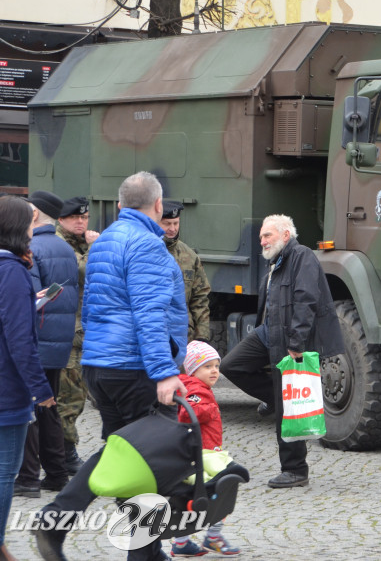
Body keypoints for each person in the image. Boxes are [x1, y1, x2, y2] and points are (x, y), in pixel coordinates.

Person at [35, 171, 188, 561]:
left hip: (100, 364)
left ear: (119, 206)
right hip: (135, 367)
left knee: (125, 457)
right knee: (147, 459)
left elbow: (96, 307)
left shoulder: (103, 244)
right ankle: (57, 518)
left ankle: (146, 553)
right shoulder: (148, 247)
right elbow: (149, 314)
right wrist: (165, 372)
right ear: (157, 206)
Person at [220, 214, 344, 489]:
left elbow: (306, 300)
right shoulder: (276, 262)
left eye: (267, 236)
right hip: (268, 333)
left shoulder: (302, 257)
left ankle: (295, 470)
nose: (262, 241)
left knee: (291, 406)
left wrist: (297, 342)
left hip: (290, 339)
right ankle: (274, 398)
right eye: (261, 236)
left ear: (285, 235)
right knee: (231, 366)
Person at [0, 197, 56, 561]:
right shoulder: (12, 270)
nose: (34, 232)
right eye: (31, 225)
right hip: (7, 392)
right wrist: (41, 391)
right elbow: (19, 340)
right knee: (6, 473)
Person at [13, 192, 78, 499]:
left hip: (37, 341)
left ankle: (26, 477)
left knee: (28, 408)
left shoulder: (31, 249)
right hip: (59, 342)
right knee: (49, 406)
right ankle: (56, 472)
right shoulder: (65, 248)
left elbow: (31, 298)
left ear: (35, 215)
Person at [169, 341, 240, 557]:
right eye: (207, 366)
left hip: (203, 453)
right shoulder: (196, 390)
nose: (214, 371)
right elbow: (187, 412)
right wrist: (209, 409)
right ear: (193, 369)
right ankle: (213, 537)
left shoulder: (193, 386)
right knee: (224, 490)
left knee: (192, 498)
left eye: (216, 366)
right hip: (205, 455)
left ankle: (181, 543)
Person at [54, 196, 96, 475]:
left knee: (78, 394)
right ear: (61, 220)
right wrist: (97, 247)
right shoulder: (61, 245)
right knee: (68, 397)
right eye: (74, 218)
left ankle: (62, 453)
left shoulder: (79, 243)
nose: (80, 222)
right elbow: (83, 270)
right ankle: (65, 455)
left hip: (83, 332)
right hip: (67, 334)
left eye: (84, 217)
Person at [159, 200, 212, 343]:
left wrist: (202, 337)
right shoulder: (147, 251)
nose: (172, 228)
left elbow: (200, 298)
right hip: (156, 331)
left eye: (176, 223)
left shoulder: (190, 256)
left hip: (183, 335)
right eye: (167, 224)